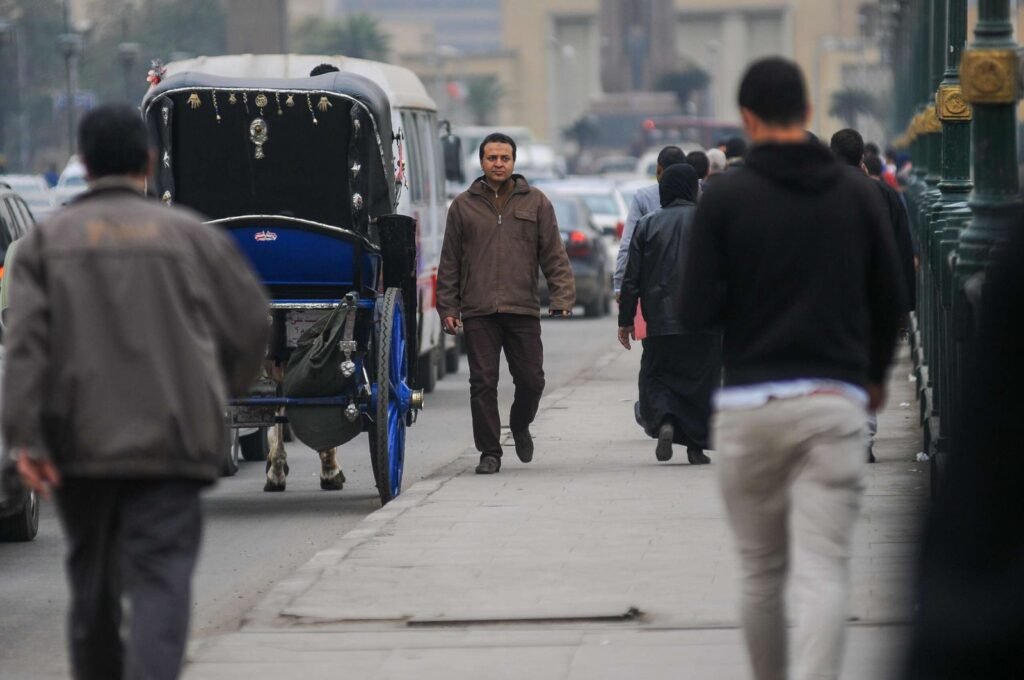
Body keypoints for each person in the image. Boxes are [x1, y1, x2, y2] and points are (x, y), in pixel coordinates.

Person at [0, 105, 269, 680]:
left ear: (86, 164)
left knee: (92, 584)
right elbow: (251, 324)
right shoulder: (192, 237)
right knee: (161, 579)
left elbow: (24, 348)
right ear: (148, 161)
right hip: (174, 441)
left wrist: (25, 439)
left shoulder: (44, 246)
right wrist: (218, 390)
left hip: (80, 445)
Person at [680, 57, 905, 680]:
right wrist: (875, 376)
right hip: (834, 398)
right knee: (825, 567)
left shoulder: (725, 197)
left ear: (747, 119)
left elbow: (696, 308)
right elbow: (890, 296)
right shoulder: (860, 193)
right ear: (808, 113)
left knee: (760, 570)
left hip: (750, 402)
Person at [437, 132, 575, 475]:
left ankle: (519, 423)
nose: (498, 163)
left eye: (504, 158)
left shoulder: (536, 202)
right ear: (481, 162)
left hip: (522, 308)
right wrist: (448, 308)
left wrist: (561, 296)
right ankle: (489, 452)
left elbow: (554, 254)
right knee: (482, 382)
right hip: (479, 309)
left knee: (532, 380)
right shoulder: (463, 206)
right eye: (491, 158)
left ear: (514, 162)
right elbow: (450, 261)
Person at [617, 163, 719, 465]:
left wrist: (625, 321)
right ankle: (695, 447)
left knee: (657, 375)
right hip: (707, 320)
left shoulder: (647, 224)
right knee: (702, 381)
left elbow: (631, 278)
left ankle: (664, 421)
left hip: (660, 320)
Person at [831, 128, 917, 463]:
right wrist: (904, 303)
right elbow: (901, 247)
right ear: (861, 158)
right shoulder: (885, 194)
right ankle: (863, 438)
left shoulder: (819, 194)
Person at [613, 145, 687, 296]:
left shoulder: (644, 198)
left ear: (659, 169)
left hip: (655, 288)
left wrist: (620, 286)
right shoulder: (701, 196)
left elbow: (628, 244)